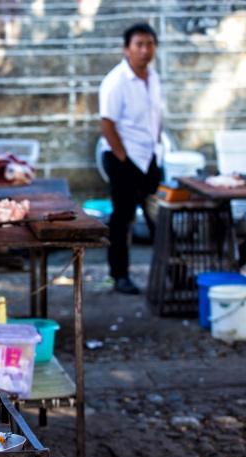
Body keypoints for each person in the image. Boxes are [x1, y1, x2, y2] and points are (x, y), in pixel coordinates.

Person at [99, 22, 163, 295]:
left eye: (149, 44)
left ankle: (166, 274)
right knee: (122, 218)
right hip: (122, 157)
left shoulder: (153, 77)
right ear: (127, 49)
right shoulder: (116, 81)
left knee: (158, 218)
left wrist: (157, 147)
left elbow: (155, 118)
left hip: (150, 157)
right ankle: (119, 275)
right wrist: (123, 157)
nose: (145, 50)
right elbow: (107, 123)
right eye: (139, 44)